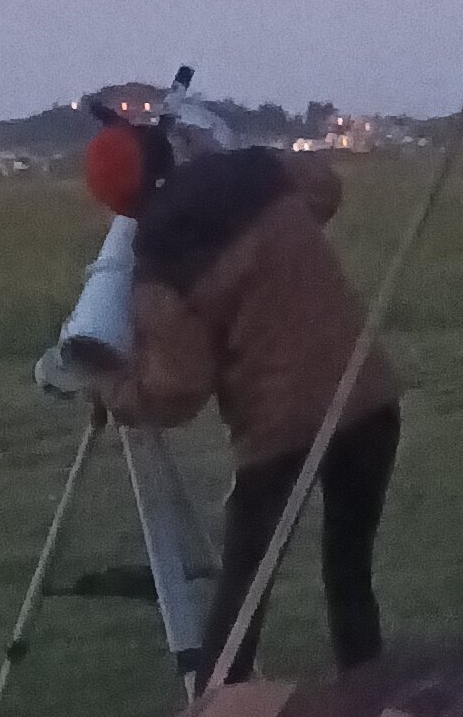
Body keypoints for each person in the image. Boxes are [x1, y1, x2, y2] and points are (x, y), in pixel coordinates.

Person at [71, 120, 400, 683]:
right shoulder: (257, 173)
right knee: (349, 571)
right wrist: (230, 156)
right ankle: (370, 700)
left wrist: (108, 382)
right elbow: (326, 189)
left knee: (243, 592)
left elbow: (177, 389)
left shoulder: (161, 260)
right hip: (366, 397)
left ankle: (218, 715)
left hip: (279, 427)